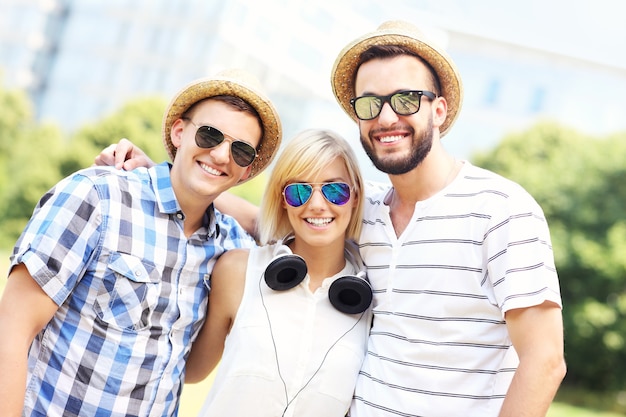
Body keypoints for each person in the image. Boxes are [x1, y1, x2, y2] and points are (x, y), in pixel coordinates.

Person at [95, 20, 567, 417]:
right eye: (369, 103)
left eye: (405, 100)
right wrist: (162, 173)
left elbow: (545, 363)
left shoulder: (502, 210)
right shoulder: (367, 215)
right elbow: (284, 220)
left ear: (438, 109)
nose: (386, 116)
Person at [0, 69, 282, 417]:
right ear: (179, 132)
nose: (222, 155)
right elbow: (10, 330)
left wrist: (181, 179)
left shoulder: (231, 248)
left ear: (248, 171)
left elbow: (292, 232)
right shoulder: (99, 198)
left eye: (240, 151)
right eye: (210, 136)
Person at [185, 129, 372, 417]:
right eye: (299, 191)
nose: (317, 204)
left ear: (356, 197)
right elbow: (190, 370)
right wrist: (155, 172)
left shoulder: (372, 301)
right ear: (283, 199)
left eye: (335, 190)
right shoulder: (238, 271)